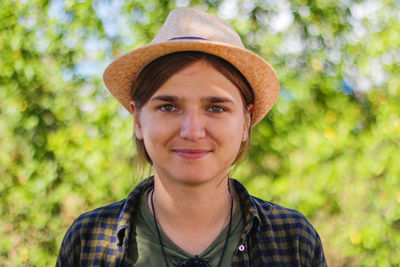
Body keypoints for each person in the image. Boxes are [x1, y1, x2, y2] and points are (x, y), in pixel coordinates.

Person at [56, 8, 326, 267]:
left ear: (246, 121)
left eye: (216, 108)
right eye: (169, 107)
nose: (192, 131)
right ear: (137, 119)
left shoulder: (294, 241)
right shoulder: (88, 242)